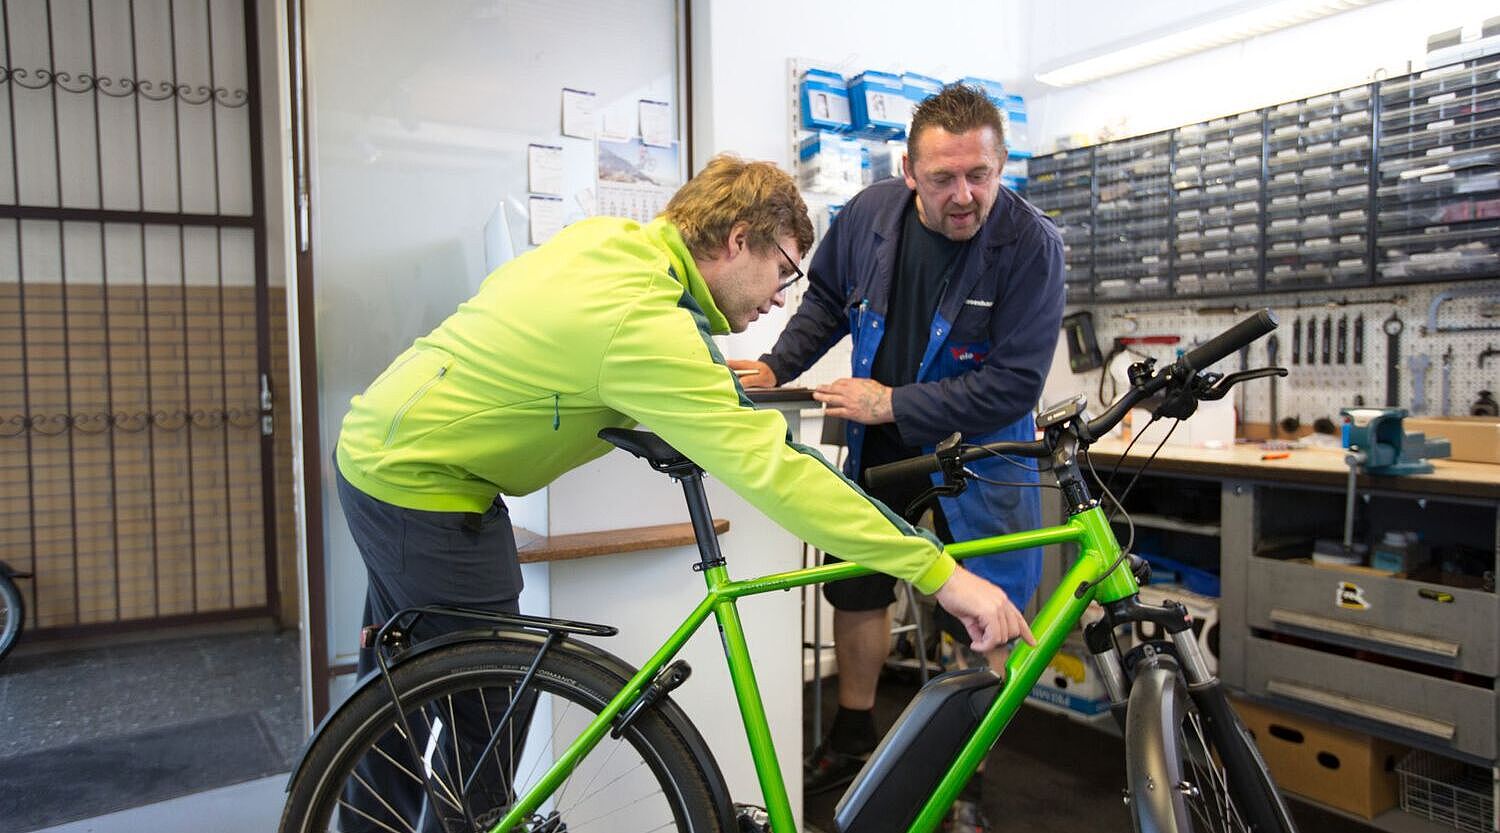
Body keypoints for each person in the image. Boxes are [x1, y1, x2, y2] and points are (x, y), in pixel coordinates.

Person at [333, 153, 1036, 829]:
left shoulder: (611, 243)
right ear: (738, 241)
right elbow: (776, 468)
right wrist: (939, 571)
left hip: (383, 446)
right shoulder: (646, 322)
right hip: (426, 487)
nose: (779, 300)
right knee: (479, 749)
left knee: (394, 700)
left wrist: (693, 380)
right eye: (784, 272)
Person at [730, 84, 1065, 831]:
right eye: (943, 177)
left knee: (981, 612)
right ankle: (853, 731)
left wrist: (893, 402)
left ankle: (964, 771)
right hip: (882, 449)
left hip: (980, 454)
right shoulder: (868, 216)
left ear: (1000, 164)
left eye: (980, 174)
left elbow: (1012, 382)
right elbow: (825, 301)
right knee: (858, 586)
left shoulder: (1032, 246)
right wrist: (778, 365)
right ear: (909, 171)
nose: (964, 194)